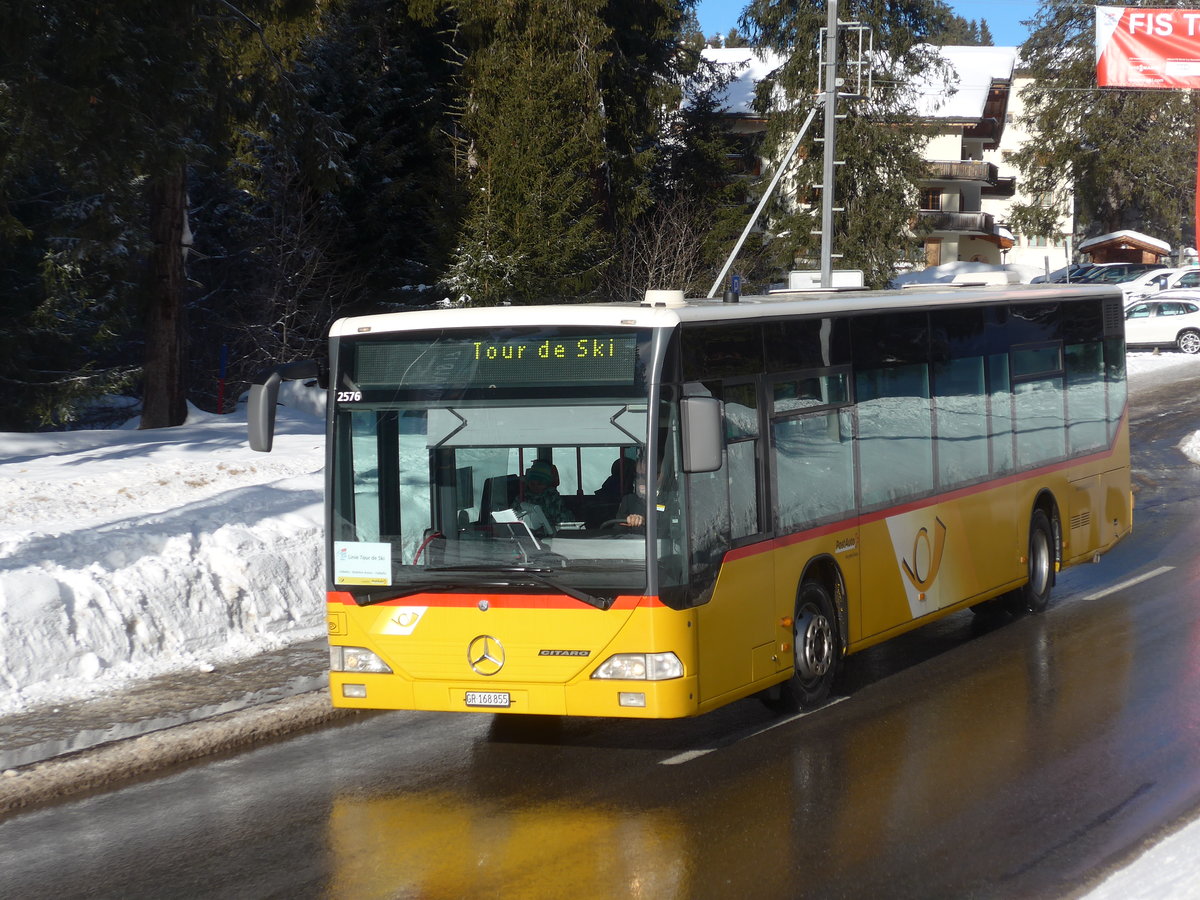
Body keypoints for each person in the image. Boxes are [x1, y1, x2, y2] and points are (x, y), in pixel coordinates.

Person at [519, 459, 568, 531]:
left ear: (547, 484)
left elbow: (559, 522)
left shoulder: (552, 498)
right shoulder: (522, 497)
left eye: (540, 484)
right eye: (532, 484)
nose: (535, 487)